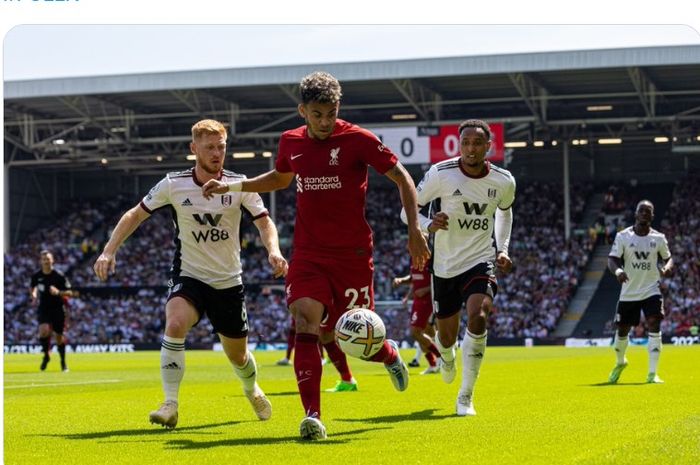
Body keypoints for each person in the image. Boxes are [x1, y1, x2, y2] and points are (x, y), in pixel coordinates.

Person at [202, 71, 430, 440]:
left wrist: (414, 230)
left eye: (331, 113)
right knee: (306, 322)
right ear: (303, 111)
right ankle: (313, 417)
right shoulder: (290, 140)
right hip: (308, 253)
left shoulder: (358, 139)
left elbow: (402, 177)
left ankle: (387, 354)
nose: (325, 121)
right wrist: (232, 186)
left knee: (349, 339)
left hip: (352, 255)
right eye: (317, 114)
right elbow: (280, 178)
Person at [94, 119, 288, 429]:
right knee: (175, 322)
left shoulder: (240, 184)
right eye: (209, 147)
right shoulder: (174, 184)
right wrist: (108, 250)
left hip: (228, 281)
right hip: (189, 274)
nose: (216, 153)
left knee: (238, 356)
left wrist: (273, 251)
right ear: (193, 148)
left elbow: (265, 223)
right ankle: (170, 403)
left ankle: (251, 388)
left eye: (221, 147)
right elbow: (136, 214)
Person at [402, 119, 515, 416]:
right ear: (458, 144)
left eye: (477, 143)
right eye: (465, 142)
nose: (471, 148)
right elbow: (407, 212)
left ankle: (466, 396)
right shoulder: (441, 173)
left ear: (488, 146)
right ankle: (447, 356)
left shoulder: (503, 181)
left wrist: (502, 249)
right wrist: (428, 224)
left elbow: (505, 212)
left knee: (478, 316)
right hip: (445, 266)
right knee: (447, 337)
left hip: (480, 259)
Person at [607, 200, 673, 384]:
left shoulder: (659, 238)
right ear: (636, 214)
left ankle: (652, 374)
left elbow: (668, 258)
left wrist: (667, 267)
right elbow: (612, 260)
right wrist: (619, 271)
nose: (644, 213)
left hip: (651, 289)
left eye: (648, 211)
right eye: (641, 210)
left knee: (654, 323)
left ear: (652, 216)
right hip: (629, 291)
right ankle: (620, 362)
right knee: (622, 330)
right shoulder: (623, 236)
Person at [30, 250, 79, 372]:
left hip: (58, 308)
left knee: (59, 337)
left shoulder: (59, 276)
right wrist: (34, 295)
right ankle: (46, 355)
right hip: (44, 308)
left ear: (52, 260)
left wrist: (58, 292)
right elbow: (33, 287)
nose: (46, 261)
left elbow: (70, 292)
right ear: (41, 261)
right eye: (44, 259)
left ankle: (63, 362)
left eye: (48, 259)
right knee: (43, 331)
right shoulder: (36, 276)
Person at [392, 258, 441, 374]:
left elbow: (438, 281)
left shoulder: (430, 261)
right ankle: (433, 364)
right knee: (419, 334)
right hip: (417, 301)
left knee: (417, 332)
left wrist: (426, 289)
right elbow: (413, 279)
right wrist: (401, 281)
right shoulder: (415, 260)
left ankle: (440, 358)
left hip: (427, 301)